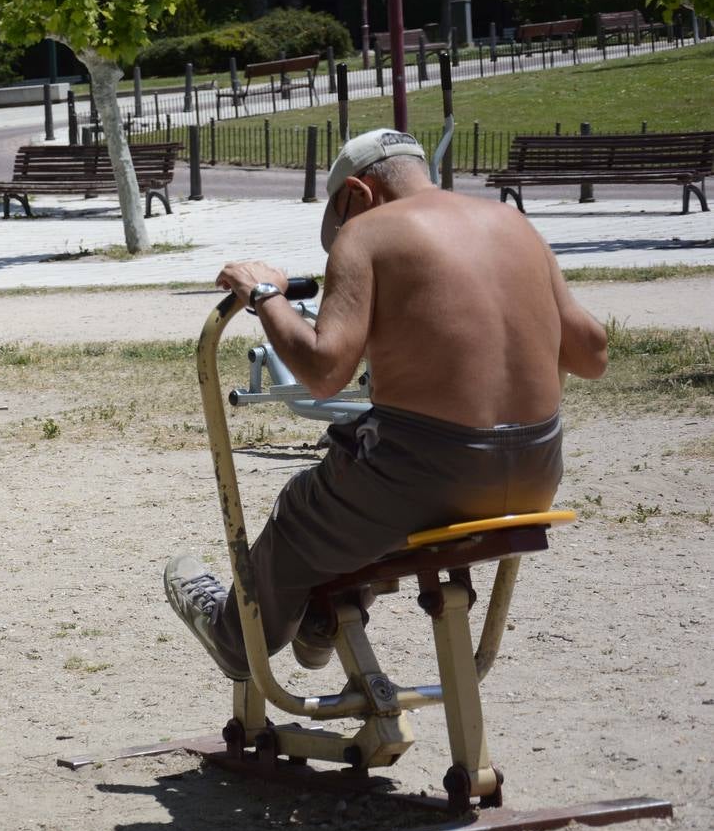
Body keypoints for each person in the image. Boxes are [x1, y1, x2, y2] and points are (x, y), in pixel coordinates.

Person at [164, 129, 609, 678]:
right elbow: (592, 354)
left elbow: (325, 373)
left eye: (340, 222)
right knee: (361, 498)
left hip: (427, 480)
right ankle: (324, 612)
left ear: (357, 192)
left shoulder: (369, 233)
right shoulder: (513, 224)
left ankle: (235, 636)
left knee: (302, 512)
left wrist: (264, 294)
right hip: (538, 472)